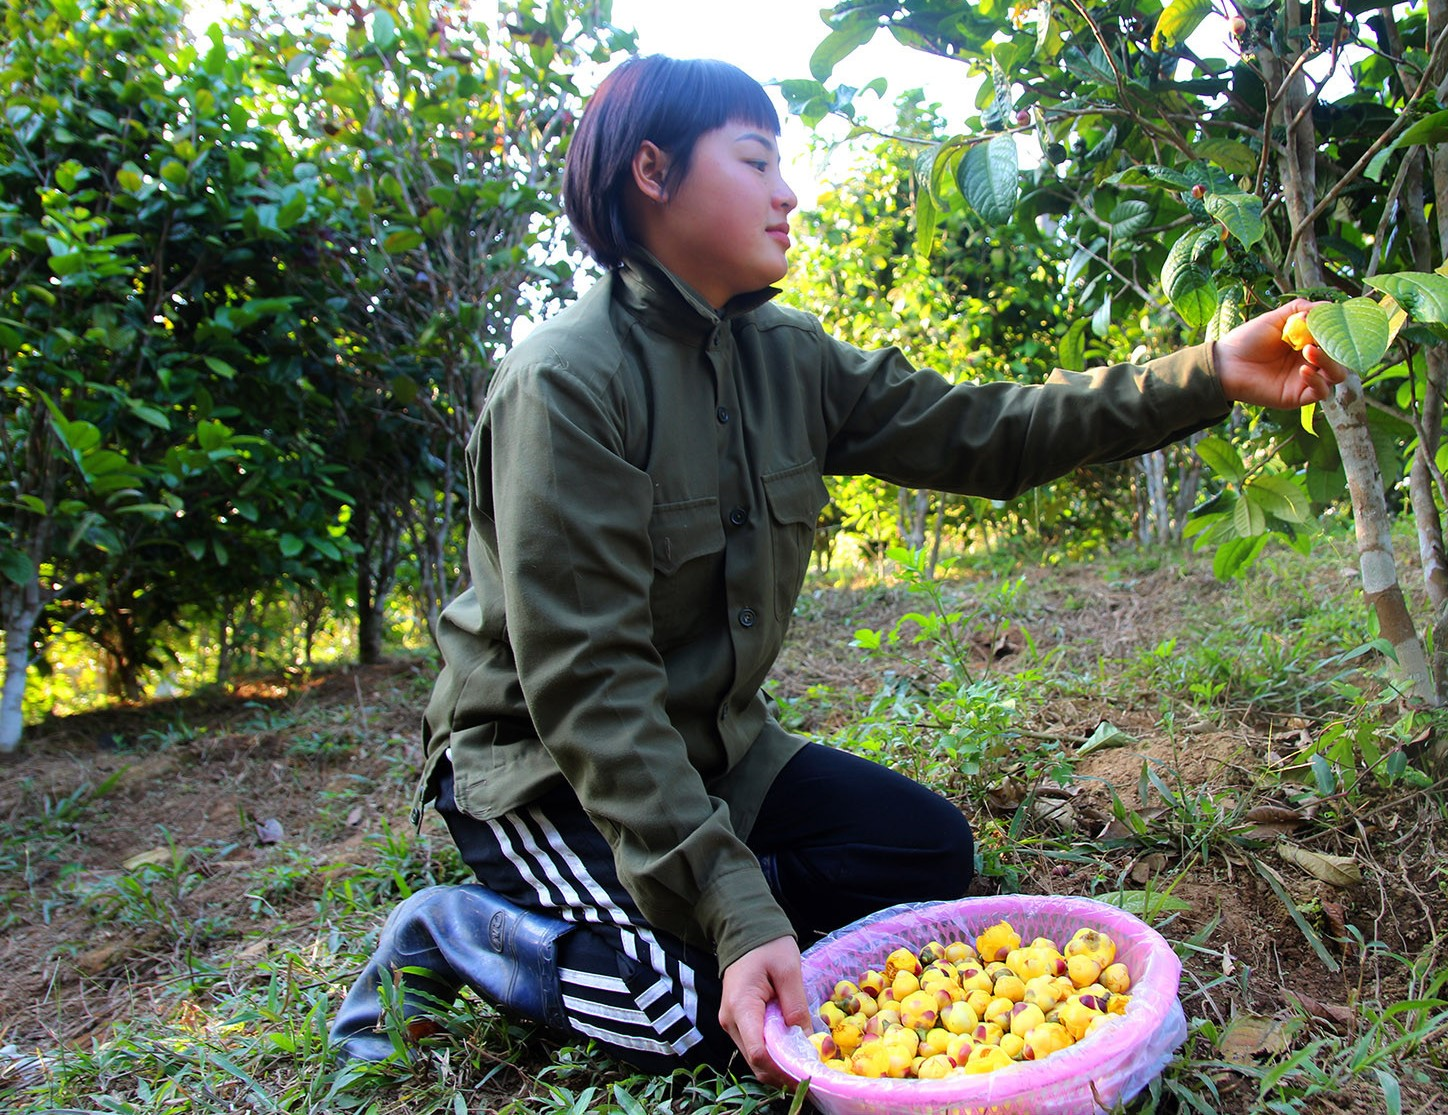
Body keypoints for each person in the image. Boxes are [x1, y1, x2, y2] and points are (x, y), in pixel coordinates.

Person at [329, 54, 1345, 1086]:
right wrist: (733, 912)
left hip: (716, 754)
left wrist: (1207, 369)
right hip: (547, 777)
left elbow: (983, 430)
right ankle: (456, 932)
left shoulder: (786, 356)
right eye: (755, 158)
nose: (787, 192)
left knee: (924, 853)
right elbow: (587, 688)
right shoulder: (565, 381)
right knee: (710, 1020)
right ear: (652, 171)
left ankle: (689, 902)